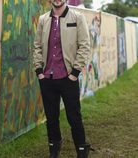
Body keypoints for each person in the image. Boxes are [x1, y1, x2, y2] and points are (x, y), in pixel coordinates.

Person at [33, 0, 90, 157]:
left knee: (74, 117)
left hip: (68, 77)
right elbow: (37, 46)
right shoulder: (44, 19)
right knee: (51, 118)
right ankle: (54, 148)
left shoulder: (78, 18)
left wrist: (75, 73)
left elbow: (84, 46)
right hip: (47, 78)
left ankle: (81, 150)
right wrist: (39, 71)